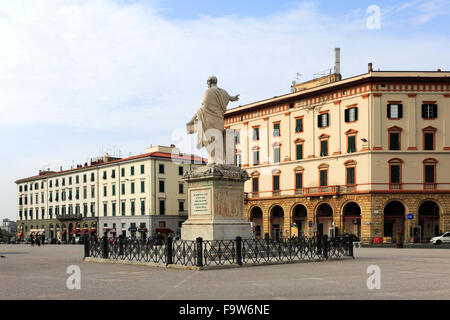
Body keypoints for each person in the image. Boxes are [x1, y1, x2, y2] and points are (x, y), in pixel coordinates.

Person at [187, 76, 240, 165]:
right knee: (218, 137)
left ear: (209, 82)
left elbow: (205, 104)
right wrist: (234, 98)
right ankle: (217, 159)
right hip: (219, 118)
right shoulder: (223, 92)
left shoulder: (208, 91)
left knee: (209, 138)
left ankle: (214, 159)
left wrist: (193, 119)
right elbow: (230, 98)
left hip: (208, 118)